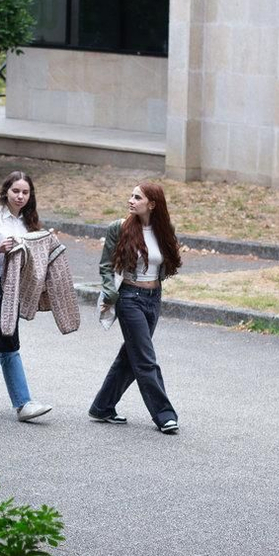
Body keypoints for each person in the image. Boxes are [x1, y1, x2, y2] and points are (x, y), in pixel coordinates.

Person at [88, 182, 183, 435]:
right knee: (145, 358)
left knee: (131, 356)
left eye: (137, 197)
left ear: (152, 204)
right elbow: (106, 265)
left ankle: (102, 407)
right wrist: (110, 292)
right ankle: (164, 415)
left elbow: (167, 261)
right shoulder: (119, 228)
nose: (131, 200)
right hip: (129, 297)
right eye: (131, 196)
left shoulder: (164, 230)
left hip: (154, 297)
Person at [0, 172, 53, 422]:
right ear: (5, 191)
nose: (20, 196)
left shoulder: (28, 221)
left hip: (14, 286)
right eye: (16, 191)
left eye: (25, 192)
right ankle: (23, 403)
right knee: (7, 341)